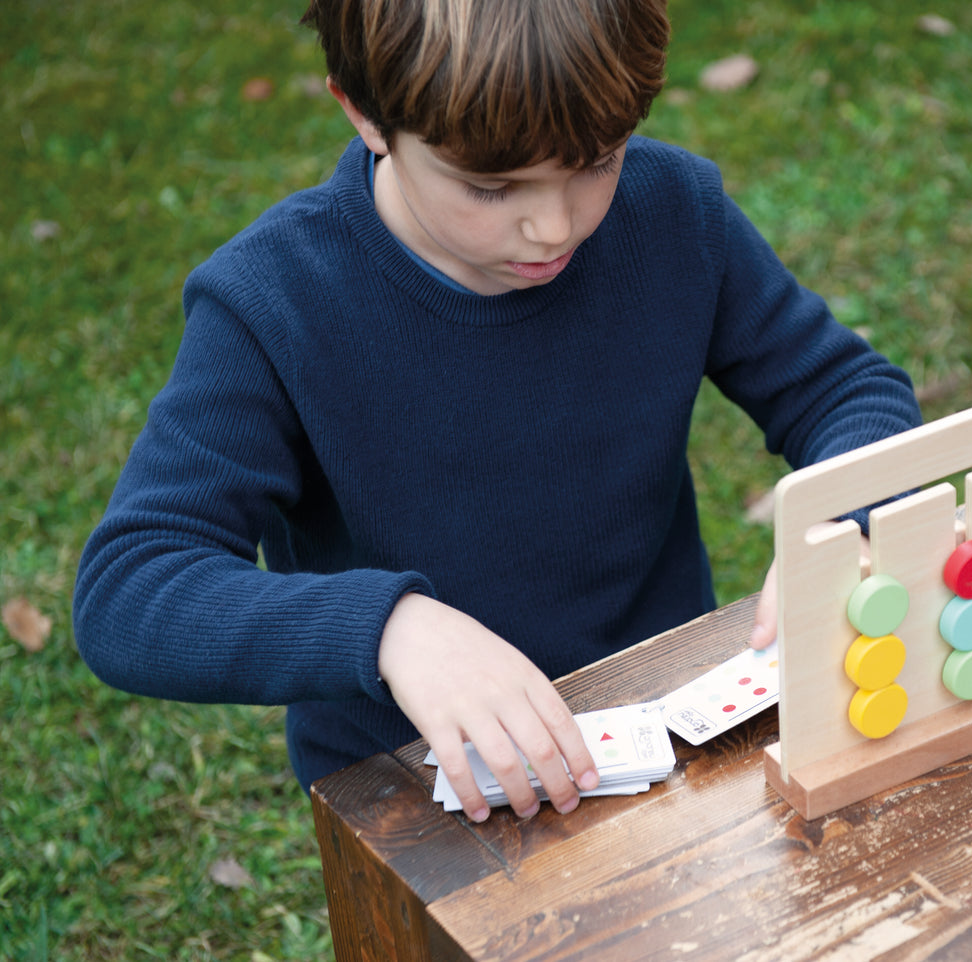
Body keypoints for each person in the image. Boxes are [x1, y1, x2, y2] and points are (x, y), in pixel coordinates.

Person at [73, 0, 921, 824]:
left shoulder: (671, 214)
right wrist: (387, 631)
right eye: (491, 186)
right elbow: (132, 586)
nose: (554, 226)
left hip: (671, 731)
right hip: (427, 790)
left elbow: (845, 392)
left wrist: (842, 519)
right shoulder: (274, 305)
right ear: (364, 113)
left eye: (596, 160)